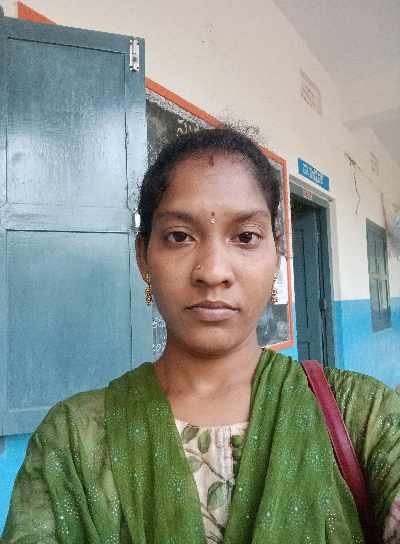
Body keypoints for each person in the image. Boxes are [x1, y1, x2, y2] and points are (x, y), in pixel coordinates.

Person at [2, 127, 400, 544]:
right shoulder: (73, 440)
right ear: (143, 256)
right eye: (179, 236)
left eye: (246, 237)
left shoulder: (362, 416)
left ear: (277, 254)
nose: (212, 272)